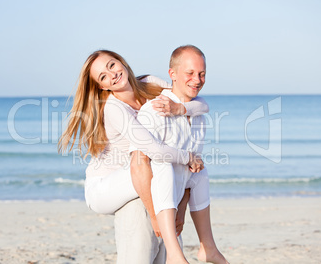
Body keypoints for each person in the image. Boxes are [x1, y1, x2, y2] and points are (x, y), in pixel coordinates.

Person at [58, 50, 209, 261]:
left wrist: (179, 108)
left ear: (121, 61)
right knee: (160, 163)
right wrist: (188, 157)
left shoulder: (150, 83)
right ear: (103, 86)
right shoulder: (113, 108)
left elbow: (200, 103)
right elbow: (153, 150)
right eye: (103, 76)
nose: (112, 74)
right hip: (104, 186)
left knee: (174, 166)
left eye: (112, 65)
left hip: (137, 170)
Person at [130, 45, 229, 263]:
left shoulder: (197, 114)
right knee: (163, 164)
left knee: (200, 172)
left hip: (175, 200)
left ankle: (208, 247)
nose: (198, 79)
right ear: (172, 74)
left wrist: (182, 210)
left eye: (202, 74)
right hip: (152, 197)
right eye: (190, 73)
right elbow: (141, 162)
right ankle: (175, 256)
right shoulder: (155, 110)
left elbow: (189, 171)